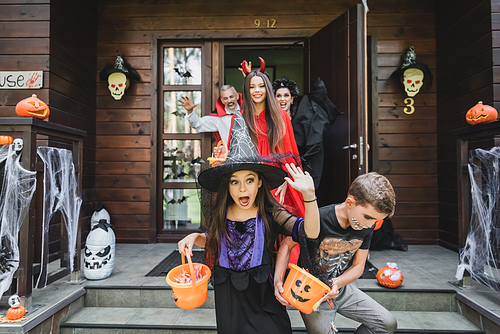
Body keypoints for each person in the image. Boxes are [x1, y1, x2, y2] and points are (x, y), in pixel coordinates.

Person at [178, 111, 320, 334]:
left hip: (263, 296)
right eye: (235, 182)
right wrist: (193, 237)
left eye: (249, 180)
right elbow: (215, 241)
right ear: (228, 186)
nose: (242, 188)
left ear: (260, 182)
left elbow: (309, 232)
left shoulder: (271, 212)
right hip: (230, 300)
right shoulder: (221, 213)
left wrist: (310, 197)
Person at [274, 172, 398, 334]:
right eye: (368, 217)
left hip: (339, 287)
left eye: (376, 221)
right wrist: (278, 280)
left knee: (388, 323)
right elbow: (286, 244)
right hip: (310, 291)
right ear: (349, 203)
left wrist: (337, 283)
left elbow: (359, 266)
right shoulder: (321, 218)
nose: (370, 224)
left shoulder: (366, 226)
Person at [240, 59, 304, 218]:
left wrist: (286, 181)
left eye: (261, 86)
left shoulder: (281, 116)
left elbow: (290, 153)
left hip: (278, 179)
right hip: (250, 179)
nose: (257, 90)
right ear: (246, 91)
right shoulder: (240, 118)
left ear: (267, 88)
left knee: (281, 223)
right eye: (252, 87)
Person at [177, 85, 242, 145]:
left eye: (231, 97)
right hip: (230, 155)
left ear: (237, 96)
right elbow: (198, 125)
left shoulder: (248, 112)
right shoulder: (217, 118)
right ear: (222, 100)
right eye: (225, 98)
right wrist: (190, 111)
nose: (229, 100)